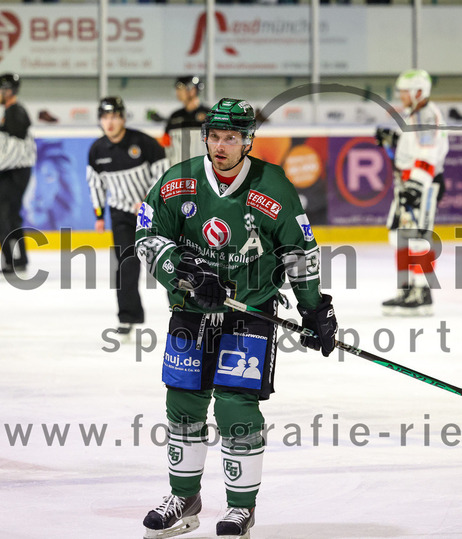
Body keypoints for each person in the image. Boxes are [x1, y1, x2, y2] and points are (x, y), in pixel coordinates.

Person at [135, 98, 338, 538]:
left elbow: (298, 250)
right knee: (183, 403)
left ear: (248, 141)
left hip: (250, 311)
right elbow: (147, 238)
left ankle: (240, 508)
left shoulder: (274, 186)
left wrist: (313, 307)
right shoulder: (178, 181)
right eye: (214, 136)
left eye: (231, 137)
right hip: (191, 309)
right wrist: (186, 273)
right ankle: (184, 499)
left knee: (235, 406)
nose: (221, 146)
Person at [87, 96, 168, 337]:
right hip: (121, 213)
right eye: (105, 117)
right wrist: (99, 214)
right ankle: (128, 316)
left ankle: (185, 310)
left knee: (167, 262)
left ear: (123, 118)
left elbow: (163, 174)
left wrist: (148, 201)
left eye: (114, 116)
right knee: (125, 265)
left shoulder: (143, 142)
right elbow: (95, 184)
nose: (110, 122)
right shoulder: (97, 150)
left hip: (153, 213)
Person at [376, 69, 449, 316]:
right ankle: (406, 289)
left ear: (419, 91)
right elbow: (412, 146)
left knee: (418, 237)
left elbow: (428, 153)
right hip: (408, 184)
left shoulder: (427, 115)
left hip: (422, 185)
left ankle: (422, 292)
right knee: (400, 236)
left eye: (405, 92)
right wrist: (393, 140)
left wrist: (416, 186)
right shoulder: (415, 114)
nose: (401, 96)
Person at [0, 73, 36, 275]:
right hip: (11, 171)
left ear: (8, 91)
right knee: (9, 215)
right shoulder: (10, 111)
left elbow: (18, 143)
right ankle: (16, 259)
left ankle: (13, 259)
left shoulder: (16, 111)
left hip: (15, 171)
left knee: (6, 215)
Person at [162, 76, 210, 168]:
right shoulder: (175, 116)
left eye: (181, 88)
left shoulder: (208, 114)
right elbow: (166, 142)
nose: (178, 92)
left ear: (192, 90)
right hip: (179, 168)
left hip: (202, 168)